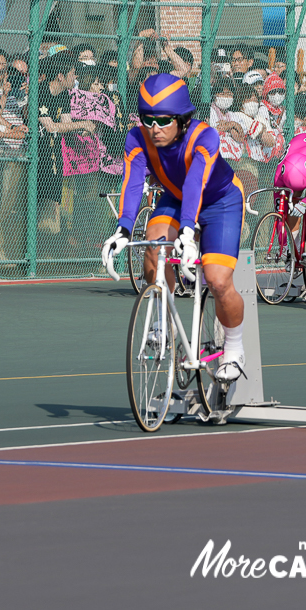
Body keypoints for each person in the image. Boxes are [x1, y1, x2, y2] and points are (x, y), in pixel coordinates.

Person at [100, 73, 249, 381]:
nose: (154, 128)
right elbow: (132, 182)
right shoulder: (137, 138)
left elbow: (196, 182)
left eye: (164, 120)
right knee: (153, 246)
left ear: (182, 119)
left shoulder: (204, 136)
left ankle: (235, 348)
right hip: (177, 199)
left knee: (218, 281)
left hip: (220, 201)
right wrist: (123, 229)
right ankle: (160, 324)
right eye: (147, 119)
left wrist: (187, 230)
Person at [270, 127, 306, 269]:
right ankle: (294, 248)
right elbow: (279, 213)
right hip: (294, 161)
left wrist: (305, 203)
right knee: (291, 202)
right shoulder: (279, 175)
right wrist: (284, 245)